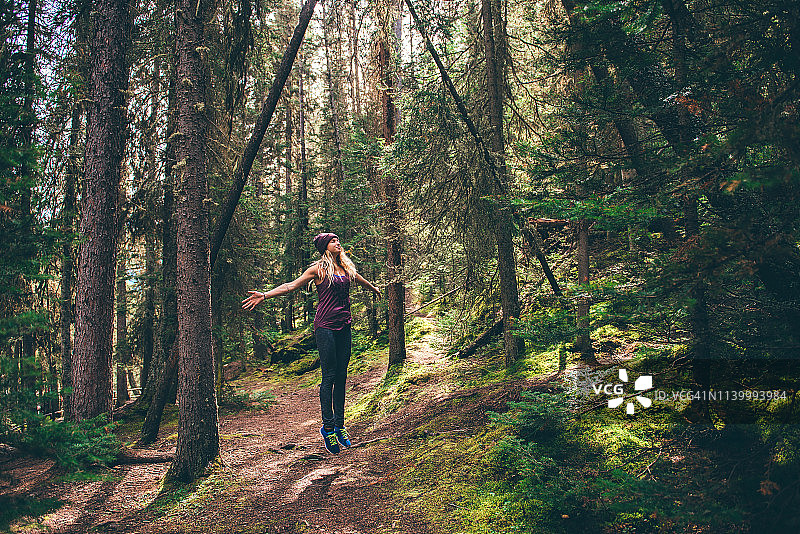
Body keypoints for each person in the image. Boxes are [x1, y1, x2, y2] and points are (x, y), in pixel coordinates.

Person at [242, 232, 381, 454]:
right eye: (333, 241)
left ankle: (340, 425)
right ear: (325, 246)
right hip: (325, 326)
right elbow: (291, 286)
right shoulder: (318, 269)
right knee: (329, 375)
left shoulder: (345, 267)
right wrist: (265, 295)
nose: (337, 243)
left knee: (342, 376)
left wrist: (373, 288)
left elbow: (359, 279)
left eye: (338, 240)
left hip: (344, 325)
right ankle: (328, 428)